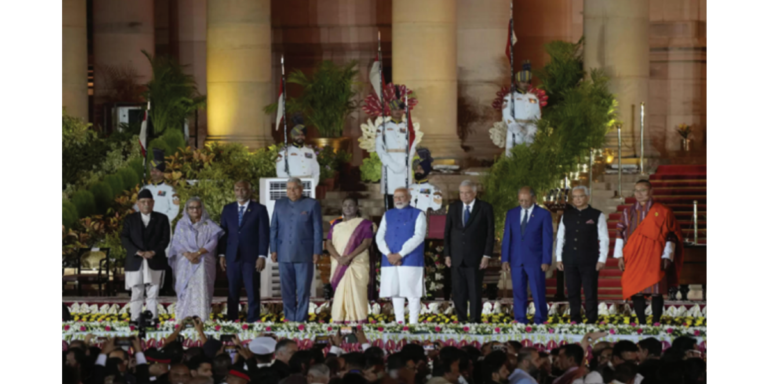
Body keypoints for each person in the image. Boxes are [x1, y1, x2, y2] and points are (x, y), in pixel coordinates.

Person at [614, 180, 684, 324]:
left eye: (643, 190)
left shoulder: (663, 211)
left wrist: (667, 256)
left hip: (655, 255)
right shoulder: (628, 212)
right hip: (632, 255)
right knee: (636, 289)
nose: (639, 194)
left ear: (651, 191)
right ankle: (642, 323)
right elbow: (619, 233)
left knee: (655, 290)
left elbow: (671, 235)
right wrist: (619, 255)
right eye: (636, 190)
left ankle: (656, 322)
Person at [271, 177, 323, 322]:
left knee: (303, 290)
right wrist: (273, 249)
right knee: (286, 290)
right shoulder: (279, 204)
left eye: (294, 188)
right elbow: (274, 228)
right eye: (288, 188)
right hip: (283, 253)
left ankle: (300, 320)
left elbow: (317, 230)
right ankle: (289, 318)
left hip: (305, 254)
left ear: (301, 189)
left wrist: (317, 251)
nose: (291, 191)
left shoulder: (312, 204)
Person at [555, 186, 609, 324]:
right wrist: (559, 258)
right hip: (569, 259)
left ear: (587, 197)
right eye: (575, 197)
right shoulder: (566, 215)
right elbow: (561, 238)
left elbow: (604, 238)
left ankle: (591, 320)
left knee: (590, 292)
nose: (577, 199)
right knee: (572, 292)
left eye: (580, 196)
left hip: (590, 260)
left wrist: (602, 259)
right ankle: (575, 319)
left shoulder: (597, 214)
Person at [218, 181, 270, 322]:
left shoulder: (259, 209)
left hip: (251, 257)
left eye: (243, 189)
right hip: (232, 256)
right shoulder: (227, 209)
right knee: (232, 290)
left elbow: (264, 234)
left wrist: (262, 255)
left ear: (249, 191)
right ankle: (232, 319)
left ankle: (253, 320)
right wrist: (222, 254)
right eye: (237, 189)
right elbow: (223, 233)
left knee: (252, 289)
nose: (240, 192)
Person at [444, 180, 495, 323]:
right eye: (461, 192)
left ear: (474, 193)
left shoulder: (485, 208)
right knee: (458, 291)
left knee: (474, 291)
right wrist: (447, 254)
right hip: (456, 257)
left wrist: (486, 255)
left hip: (476, 258)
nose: (464, 195)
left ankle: (475, 321)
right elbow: (447, 232)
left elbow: (490, 233)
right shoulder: (453, 208)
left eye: (467, 192)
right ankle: (461, 320)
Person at [501, 186, 553, 324]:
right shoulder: (511, 213)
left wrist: (546, 260)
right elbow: (507, 237)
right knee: (518, 291)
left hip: (536, 260)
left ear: (534, 199)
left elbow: (547, 239)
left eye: (526, 200)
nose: (523, 203)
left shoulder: (543, 214)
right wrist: (505, 259)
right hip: (516, 260)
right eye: (521, 201)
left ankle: (540, 319)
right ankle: (519, 318)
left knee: (538, 291)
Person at [376, 187, 427, 324]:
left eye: (401, 197)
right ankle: (399, 323)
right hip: (389, 260)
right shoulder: (387, 214)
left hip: (410, 259)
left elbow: (419, 236)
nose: (398, 200)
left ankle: (413, 324)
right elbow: (379, 237)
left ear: (409, 197)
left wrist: (400, 254)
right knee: (395, 291)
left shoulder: (418, 214)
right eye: (396, 197)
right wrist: (389, 254)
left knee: (412, 292)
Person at [169, 197, 224, 321]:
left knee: (202, 289)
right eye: (191, 208)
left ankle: (201, 319)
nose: (195, 210)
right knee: (185, 290)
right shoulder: (181, 224)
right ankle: (183, 319)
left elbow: (213, 242)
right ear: (187, 210)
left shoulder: (209, 225)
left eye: (198, 207)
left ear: (202, 209)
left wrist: (197, 254)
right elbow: (177, 242)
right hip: (185, 262)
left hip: (203, 262)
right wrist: (188, 255)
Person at [121, 188, 171, 321]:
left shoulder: (162, 218)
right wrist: (138, 252)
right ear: (138, 204)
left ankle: (152, 319)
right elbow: (124, 238)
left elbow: (165, 239)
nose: (146, 204)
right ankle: (135, 320)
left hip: (155, 260)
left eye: (149, 202)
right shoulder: (130, 219)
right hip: (135, 261)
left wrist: (153, 252)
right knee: (136, 292)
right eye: (143, 202)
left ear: (153, 203)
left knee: (153, 293)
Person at [326, 197, 376, 323]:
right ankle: (339, 320)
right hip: (339, 263)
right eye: (345, 205)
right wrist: (339, 258)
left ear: (357, 208)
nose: (347, 208)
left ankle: (359, 321)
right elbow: (328, 244)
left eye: (351, 205)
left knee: (358, 292)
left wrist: (348, 257)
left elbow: (366, 243)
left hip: (357, 263)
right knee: (339, 293)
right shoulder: (336, 225)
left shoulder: (364, 224)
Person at [375, 86, 417, 209]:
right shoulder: (383, 127)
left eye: (400, 109)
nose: (397, 112)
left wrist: (407, 162)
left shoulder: (408, 127)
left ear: (403, 111)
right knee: (390, 195)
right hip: (390, 166)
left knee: (405, 195)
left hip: (405, 165)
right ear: (390, 111)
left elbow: (413, 145)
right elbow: (379, 148)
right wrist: (390, 164)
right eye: (395, 109)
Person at [503, 60, 541, 154]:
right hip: (515, 132)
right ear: (518, 82)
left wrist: (533, 129)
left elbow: (537, 115)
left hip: (530, 131)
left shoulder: (533, 98)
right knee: (513, 157)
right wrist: (518, 129)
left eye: (527, 82)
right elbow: (507, 116)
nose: (526, 84)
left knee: (530, 155)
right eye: (523, 82)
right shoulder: (509, 98)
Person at [276, 114, 321, 190]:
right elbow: (280, 171)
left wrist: (313, 185)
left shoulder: (310, 151)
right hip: (292, 187)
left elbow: (316, 170)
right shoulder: (284, 151)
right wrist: (292, 185)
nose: (300, 136)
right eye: (297, 135)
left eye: (302, 134)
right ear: (292, 136)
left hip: (308, 186)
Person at [409, 147, 443, 213]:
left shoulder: (435, 190)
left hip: (425, 220)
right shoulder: (409, 188)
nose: (418, 171)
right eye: (416, 168)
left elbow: (436, 208)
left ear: (426, 171)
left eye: (421, 169)